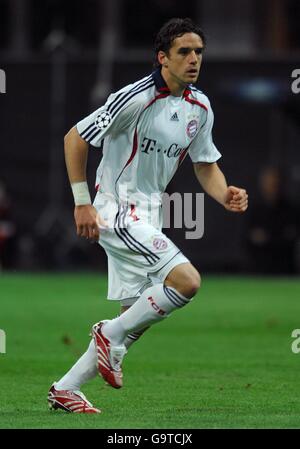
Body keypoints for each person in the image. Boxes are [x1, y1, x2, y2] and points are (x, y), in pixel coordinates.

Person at [48, 17, 248, 413]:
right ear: (162, 58)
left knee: (134, 319)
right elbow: (75, 137)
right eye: (184, 52)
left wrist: (225, 193)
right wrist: (81, 201)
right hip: (117, 209)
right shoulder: (135, 98)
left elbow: (205, 164)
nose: (194, 60)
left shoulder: (200, 106)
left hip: (150, 212)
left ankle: (67, 387)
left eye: (199, 52)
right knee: (187, 282)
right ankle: (109, 335)